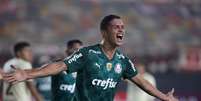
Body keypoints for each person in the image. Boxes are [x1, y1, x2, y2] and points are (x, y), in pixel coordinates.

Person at [4, 15, 178, 101]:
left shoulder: (123, 61)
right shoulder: (87, 53)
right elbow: (59, 66)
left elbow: (142, 82)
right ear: (104, 32)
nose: (121, 30)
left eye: (123, 27)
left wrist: (164, 97)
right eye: (116, 27)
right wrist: (27, 74)